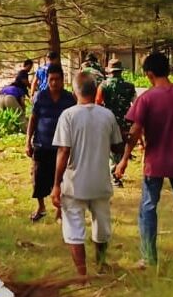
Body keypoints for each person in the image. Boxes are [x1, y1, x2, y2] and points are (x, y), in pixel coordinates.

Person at [115, 52, 173, 268]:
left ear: (149, 74)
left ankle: (148, 257)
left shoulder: (146, 98)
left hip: (155, 163)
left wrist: (124, 159)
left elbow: (135, 131)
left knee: (148, 208)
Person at [51, 73, 124, 278]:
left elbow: (63, 151)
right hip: (100, 181)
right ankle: (101, 263)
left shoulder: (68, 115)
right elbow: (117, 145)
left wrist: (56, 184)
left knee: (74, 228)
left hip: (75, 183)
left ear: (75, 91)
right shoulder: (107, 115)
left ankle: (82, 273)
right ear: (95, 91)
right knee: (102, 226)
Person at [26, 64, 76, 222]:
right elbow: (33, 120)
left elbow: (75, 122)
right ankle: (41, 207)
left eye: (57, 79)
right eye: (51, 79)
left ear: (63, 80)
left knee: (62, 179)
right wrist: (27, 142)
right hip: (41, 144)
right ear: (47, 80)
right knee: (38, 177)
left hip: (62, 147)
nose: (54, 83)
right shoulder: (40, 96)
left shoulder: (69, 98)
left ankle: (60, 212)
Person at [96, 59, 136, 187]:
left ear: (109, 71)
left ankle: (114, 176)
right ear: (120, 71)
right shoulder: (130, 86)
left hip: (108, 121)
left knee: (110, 150)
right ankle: (117, 174)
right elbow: (136, 104)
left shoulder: (103, 85)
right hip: (125, 123)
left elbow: (97, 103)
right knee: (121, 149)